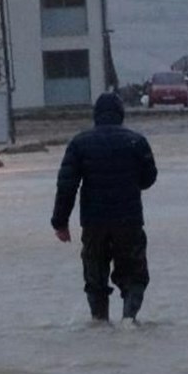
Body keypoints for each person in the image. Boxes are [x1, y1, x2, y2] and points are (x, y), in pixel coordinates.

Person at [52, 92, 158, 324]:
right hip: (129, 221)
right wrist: (131, 183)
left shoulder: (79, 143)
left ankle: (100, 325)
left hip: (93, 222)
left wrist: (60, 222)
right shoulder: (136, 141)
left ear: (96, 115)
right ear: (121, 114)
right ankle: (128, 320)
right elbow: (150, 177)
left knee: (95, 277)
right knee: (135, 276)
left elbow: (66, 185)